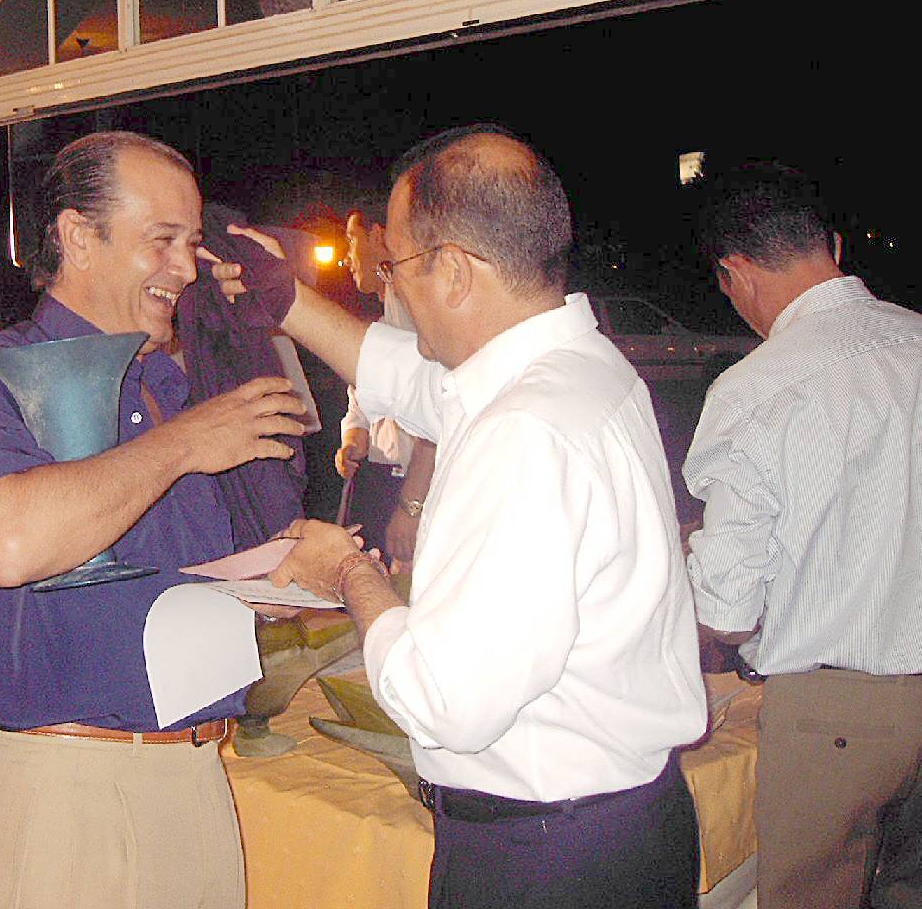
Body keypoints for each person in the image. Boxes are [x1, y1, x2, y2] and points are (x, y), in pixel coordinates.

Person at [210, 124, 706, 908]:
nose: (395, 288)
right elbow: (415, 385)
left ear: (451, 270)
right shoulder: (577, 369)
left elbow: (444, 701)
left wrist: (347, 572)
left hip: (547, 858)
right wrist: (289, 299)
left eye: (397, 266)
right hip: (616, 829)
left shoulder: (524, 430)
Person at [0, 131, 307, 909]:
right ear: (77, 238)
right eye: (162, 240)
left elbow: (178, 581)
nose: (186, 268)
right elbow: (6, 543)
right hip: (65, 799)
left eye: (191, 244)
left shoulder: (172, 389)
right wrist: (185, 445)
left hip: (196, 781)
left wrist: (288, 567)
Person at [683, 162, 922, 909]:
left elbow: (727, 610)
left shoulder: (757, 387)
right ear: (834, 245)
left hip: (836, 718)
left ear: (733, 273)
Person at [335, 208, 435, 564]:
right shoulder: (386, 317)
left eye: (351, 239)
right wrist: (355, 435)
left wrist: (411, 506)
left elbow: (437, 405)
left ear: (378, 234)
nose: (347, 258)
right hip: (384, 478)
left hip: (413, 483)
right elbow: (365, 394)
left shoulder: (416, 302)